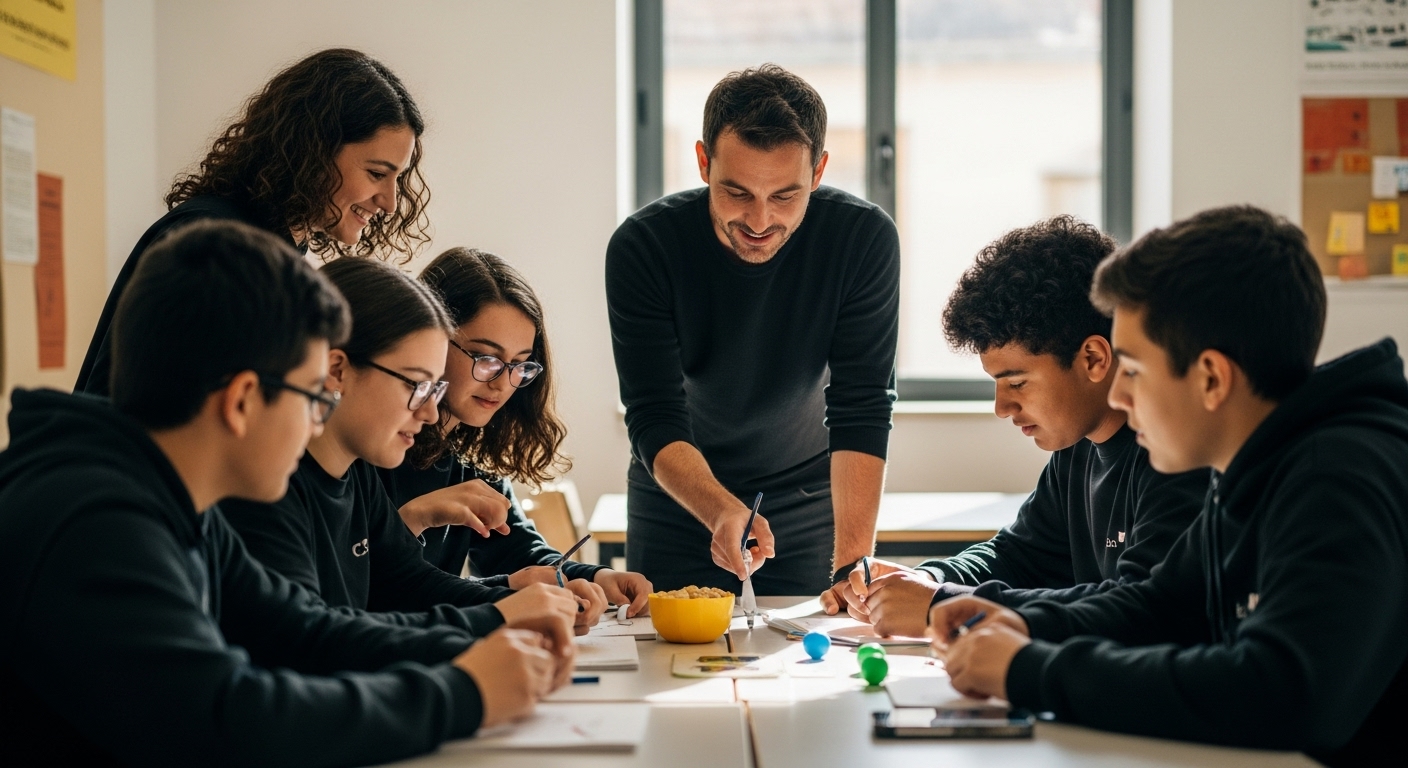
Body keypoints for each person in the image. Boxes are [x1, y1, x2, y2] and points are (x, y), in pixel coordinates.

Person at [0, 221, 572, 766]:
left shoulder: (163, 493)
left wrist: (491, 629)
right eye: (311, 396)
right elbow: (226, 722)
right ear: (243, 399)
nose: (317, 423)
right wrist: (464, 694)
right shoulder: (95, 521)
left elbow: (304, 629)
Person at [929, 206, 1408, 765]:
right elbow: (1163, 604)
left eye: (1131, 370)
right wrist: (1020, 621)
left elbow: (1281, 693)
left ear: (1210, 378)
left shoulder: (1337, 474)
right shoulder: (1262, 464)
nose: (1119, 397)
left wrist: (1030, 670)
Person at [606, 64, 899, 601]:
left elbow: (861, 405)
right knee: (664, 663)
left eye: (785, 196)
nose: (760, 220)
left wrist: (853, 562)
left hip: (806, 500)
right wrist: (719, 509)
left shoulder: (863, 239)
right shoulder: (643, 247)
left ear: (818, 172)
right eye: (736, 192)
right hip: (676, 495)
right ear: (703, 162)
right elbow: (652, 412)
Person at [841, 217, 1206, 637]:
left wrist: (945, 605)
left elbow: (1137, 609)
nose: (1002, 407)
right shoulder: (1078, 448)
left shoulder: (1175, 455)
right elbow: (1019, 555)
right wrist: (927, 580)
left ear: (1092, 359)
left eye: (1017, 383)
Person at [222, 257, 598, 634]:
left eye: (519, 365)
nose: (431, 413)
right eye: (416, 384)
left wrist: (526, 601)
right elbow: (318, 638)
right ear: (337, 370)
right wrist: (500, 618)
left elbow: (408, 586)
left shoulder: (355, 477)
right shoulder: (274, 484)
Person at [77, 48, 431, 396]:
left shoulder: (280, 254)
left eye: (396, 179)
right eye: (376, 173)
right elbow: (128, 411)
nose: (390, 202)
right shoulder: (213, 247)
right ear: (314, 150)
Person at [377, 248, 655, 616]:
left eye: (520, 365)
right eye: (485, 358)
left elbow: (515, 552)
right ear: (432, 339)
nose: (503, 383)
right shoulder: (377, 447)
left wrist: (594, 576)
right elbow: (378, 592)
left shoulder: (470, 451)